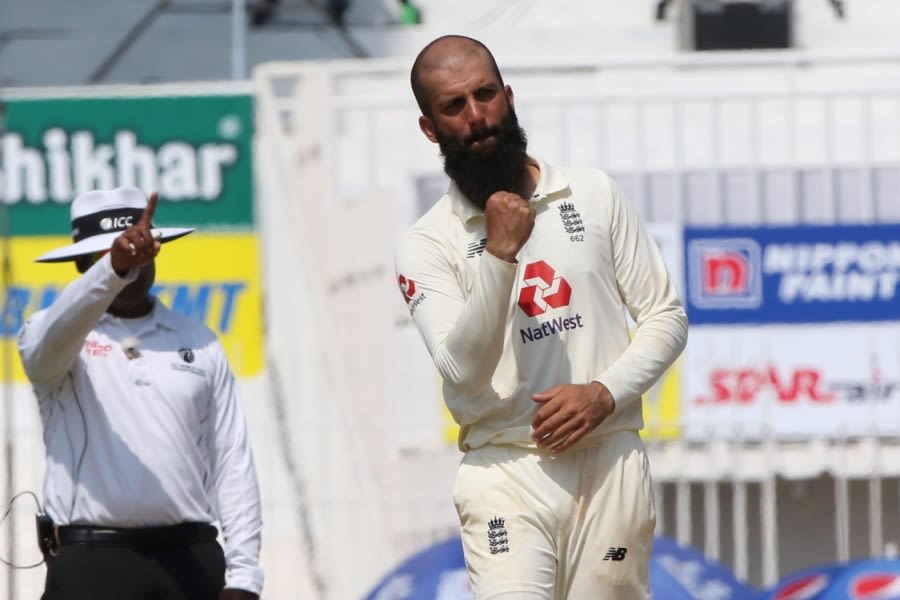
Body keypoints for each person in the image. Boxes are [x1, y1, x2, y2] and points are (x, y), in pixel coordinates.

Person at [394, 35, 688, 599]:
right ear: (431, 129)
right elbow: (463, 370)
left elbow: (665, 317)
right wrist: (501, 256)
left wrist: (603, 392)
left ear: (508, 96)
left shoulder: (592, 193)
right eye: (454, 107)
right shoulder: (428, 243)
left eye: (486, 95)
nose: (478, 117)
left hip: (610, 460)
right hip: (505, 470)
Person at [17, 186, 264, 600]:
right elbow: (50, 343)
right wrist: (113, 268)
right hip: (92, 564)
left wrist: (244, 577)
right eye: (113, 255)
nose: (131, 265)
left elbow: (231, 461)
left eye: (140, 251)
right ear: (83, 264)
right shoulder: (49, 336)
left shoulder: (199, 341)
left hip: (190, 561)